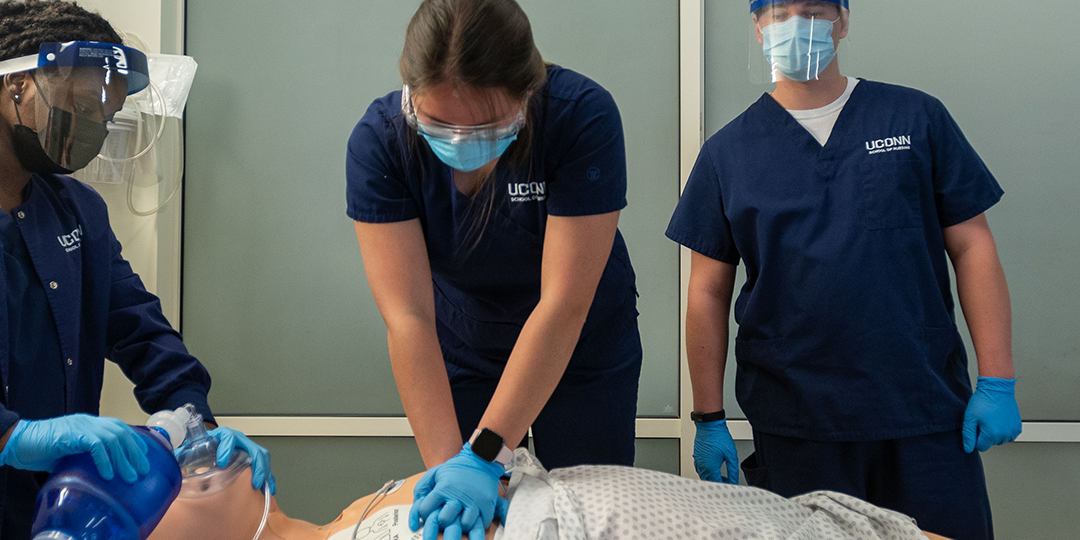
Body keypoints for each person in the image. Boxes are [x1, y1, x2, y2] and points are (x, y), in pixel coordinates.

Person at [665, 1, 1021, 540]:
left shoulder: (915, 119)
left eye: (813, 10)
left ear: (845, 21)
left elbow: (972, 245)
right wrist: (708, 418)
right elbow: (707, 291)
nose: (795, 26)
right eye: (780, 13)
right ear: (759, 28)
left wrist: (997, 378)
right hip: (800, 425)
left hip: (921, 411)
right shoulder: (727, 154)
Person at [346, 0, 641, 538]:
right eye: (438, 123)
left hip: (580, 344)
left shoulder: (580, 116)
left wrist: (484, 454)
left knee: (589, 514)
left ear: (527, 94)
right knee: (464, 512)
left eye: (486, 125)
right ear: (410, 95)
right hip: (462, 344)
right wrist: (448, 474)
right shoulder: (381, 143)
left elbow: (563, 303)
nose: (462, 142)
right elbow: (408, 317)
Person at [0, 1, 274, 536]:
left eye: (104, 117)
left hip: (57, 511)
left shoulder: (76, 211)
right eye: (76, 106)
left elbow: (141, 331)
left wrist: (196, 420)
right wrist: (12, 438)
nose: (89, 129)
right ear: (16, 84)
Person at [147, 450, 957, 540]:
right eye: (163, 484)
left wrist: (479, 460)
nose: (190, 456)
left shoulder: (342, 518)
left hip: (615, 502)